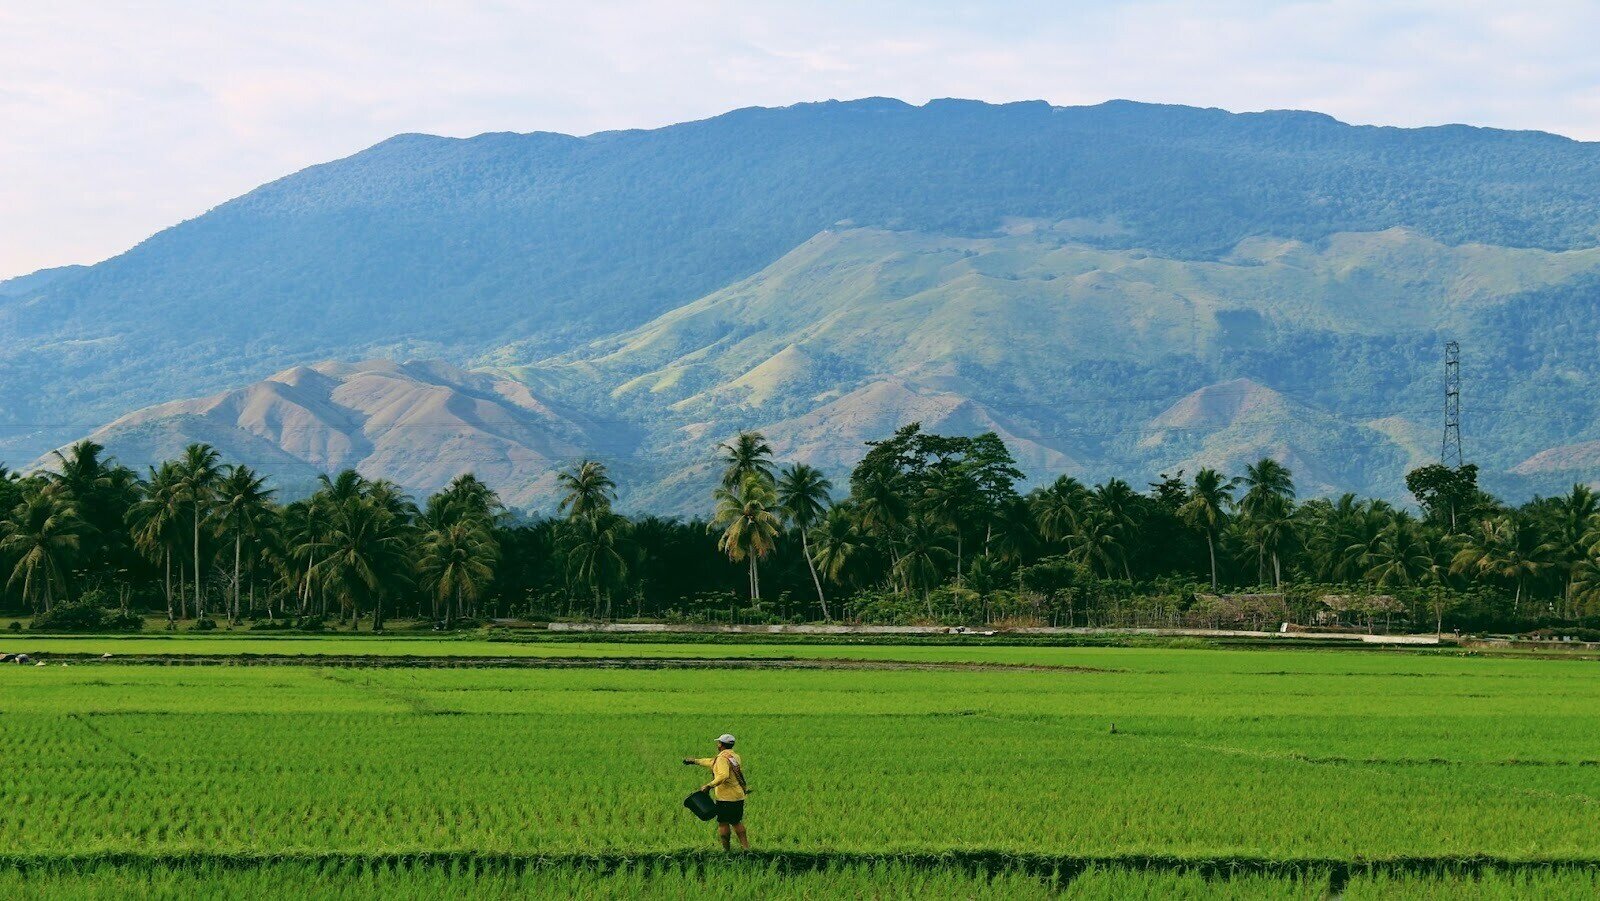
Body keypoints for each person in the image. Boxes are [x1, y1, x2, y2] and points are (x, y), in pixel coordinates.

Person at [683, 732, 748, 849]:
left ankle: (726, 850)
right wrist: (694, 761)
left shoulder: (722, 758)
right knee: (736, 821)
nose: (717, 745)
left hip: (726, 797)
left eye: (718, 743)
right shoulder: (734, 756)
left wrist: (709, 785)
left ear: (721, 745)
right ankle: (746, 848)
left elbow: (723, 775)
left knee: (723, 823)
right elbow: (712, 762)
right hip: (738, 795)